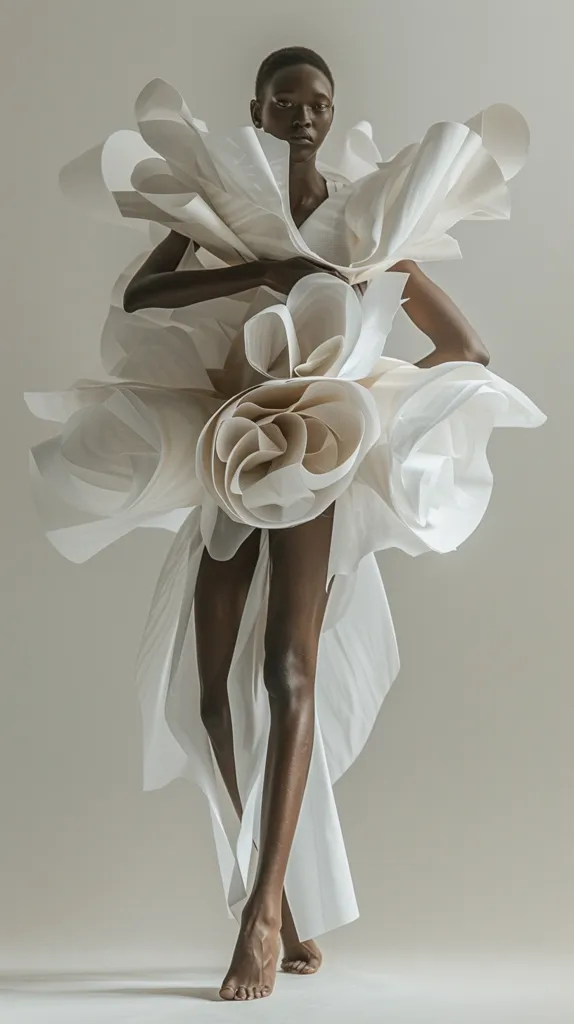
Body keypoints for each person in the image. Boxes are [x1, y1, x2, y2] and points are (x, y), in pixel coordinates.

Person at [27, 48, 544, 1004]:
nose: (306, 116)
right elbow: (143, 294)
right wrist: (259, 266)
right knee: (209, 690)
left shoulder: (364, 214)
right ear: (257, 107)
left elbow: (465, 346)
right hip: (233, 452)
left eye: (321, 104)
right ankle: (277, 897)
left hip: (314, 458)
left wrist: (371, 411)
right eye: (288, 101)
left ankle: (262, 912)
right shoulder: (223, 204)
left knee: (288, 668)